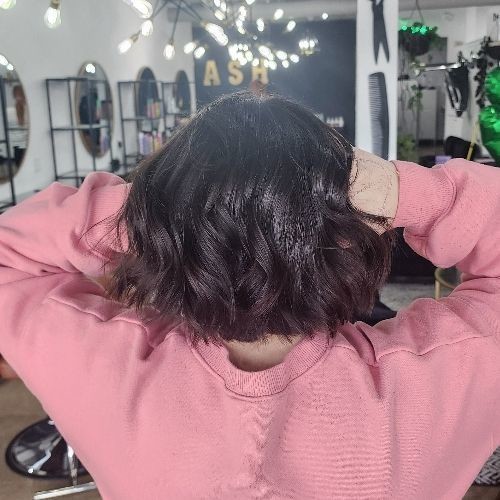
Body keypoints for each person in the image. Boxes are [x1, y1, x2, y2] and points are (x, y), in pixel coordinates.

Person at [0, 91, 498, 499]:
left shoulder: (105, 378)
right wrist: (406, 190)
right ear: (351, 228)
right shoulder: (440, 381)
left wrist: (157, 211)